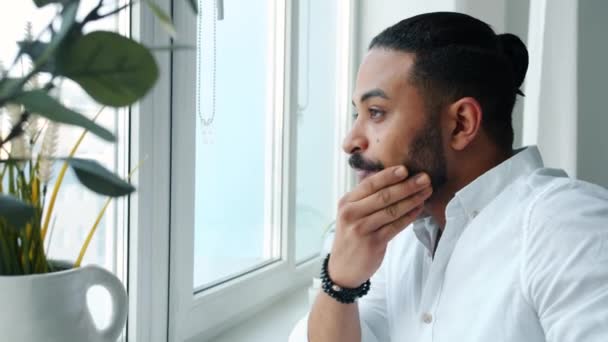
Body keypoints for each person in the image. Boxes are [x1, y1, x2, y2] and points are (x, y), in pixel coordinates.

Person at [306, 11, 608, 342]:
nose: (350, 141)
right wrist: (341, 281)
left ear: (461, 124)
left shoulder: (568, 226)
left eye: (376, 112)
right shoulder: (397, 242)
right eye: (357, 114)